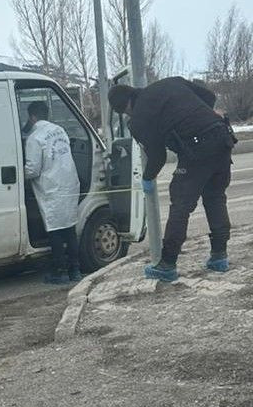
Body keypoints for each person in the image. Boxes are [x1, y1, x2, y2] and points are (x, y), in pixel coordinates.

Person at [108, 78, 236, 283]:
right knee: (215, 197)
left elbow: (157, 156)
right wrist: (203, 117)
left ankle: (167, 264)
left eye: (125, 112)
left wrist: (147, 178)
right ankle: (219, 257)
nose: (128, 115)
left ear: (125, 106)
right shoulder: (170, 83)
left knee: (180, 205)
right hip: (223, 138)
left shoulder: (139, 118)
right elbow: (209, 96)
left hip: (197, 148)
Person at [23, 101, 82, 284]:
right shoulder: (60, 130)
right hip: (69, 184)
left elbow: (33, 169)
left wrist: (17, 174)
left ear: (32, 117)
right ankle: (75, 270)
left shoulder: (35, 137)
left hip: (51, 188)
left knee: (55, 230)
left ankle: (60, 272)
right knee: (69, 228)